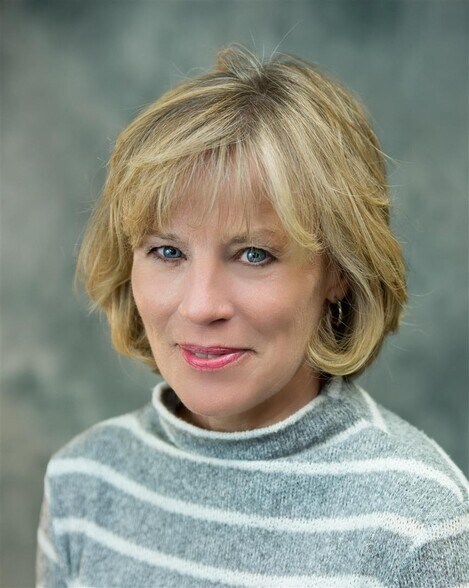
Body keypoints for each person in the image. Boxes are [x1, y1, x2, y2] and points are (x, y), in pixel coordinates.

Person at [36, 44, 468, 587]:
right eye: (168, 251)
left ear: (338, 273)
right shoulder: (83, 483)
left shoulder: (419, 524)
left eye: (254, 255)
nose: (201, 306)